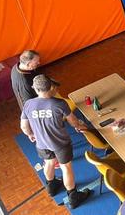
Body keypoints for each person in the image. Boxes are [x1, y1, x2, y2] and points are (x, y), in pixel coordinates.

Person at [20, 75, 91, 208]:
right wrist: (79, 126)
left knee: (49, 162)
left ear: (35, 89)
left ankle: (51, 187)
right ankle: (73, 196)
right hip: (60, 143)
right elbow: (73, 121)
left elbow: (24, 126)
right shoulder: (59, 103)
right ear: (50, 86)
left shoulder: (28, 104)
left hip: (41, 143)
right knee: (66, 167)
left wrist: (30, 134)